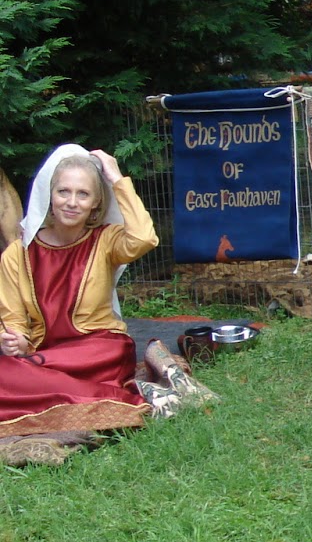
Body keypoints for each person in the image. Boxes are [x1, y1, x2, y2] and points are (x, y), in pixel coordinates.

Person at [0, 146, 208, 432]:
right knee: (11, 368)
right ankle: (123, 398)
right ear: (49, 195)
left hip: (99, 350)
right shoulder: (17, 254)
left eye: (83, 194)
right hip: (45, 355)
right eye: (63, 192)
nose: (71, 202)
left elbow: (144, 238)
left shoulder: (106, 240)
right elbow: (13, 320)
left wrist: (116, 177)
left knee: (17, 374)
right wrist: (17, 341)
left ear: (96, 203)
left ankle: (106, 400)